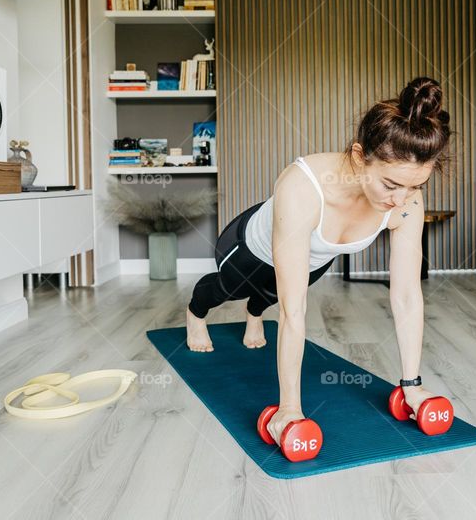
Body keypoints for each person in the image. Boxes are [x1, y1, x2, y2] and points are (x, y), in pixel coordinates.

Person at [186, 76, 453, 446]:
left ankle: (254, 313)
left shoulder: (406, 202)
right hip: (249, 246)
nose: (401, 200)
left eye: (415, 187)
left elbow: (407, 296)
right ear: (360, 158)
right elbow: (295, 314)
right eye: (391, 185)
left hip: (315, 255)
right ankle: (195, 314)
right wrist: (289, 410)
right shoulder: (304, 186)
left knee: (272, 295)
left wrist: (412, 384)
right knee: (228, 289)